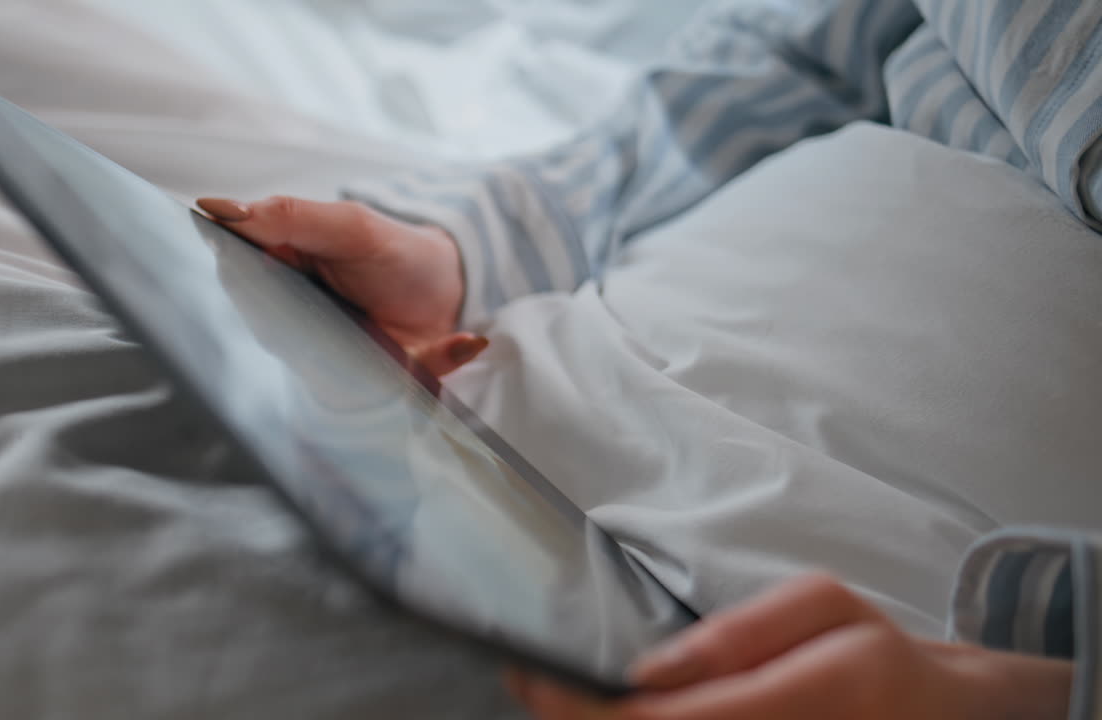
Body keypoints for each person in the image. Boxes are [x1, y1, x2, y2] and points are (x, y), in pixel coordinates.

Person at [196, 0, 1102, 716]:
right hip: (503, 405)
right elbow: (792, 59)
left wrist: (1034, 698)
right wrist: (462, 253)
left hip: (879, 645)